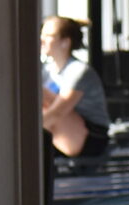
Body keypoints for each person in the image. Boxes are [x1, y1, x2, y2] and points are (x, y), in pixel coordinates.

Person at [38, 15, 111, 158]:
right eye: (41, 34)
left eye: (49, 36)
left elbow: (58, 112)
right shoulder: (47, 70)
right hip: (62, 130)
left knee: (40, 94)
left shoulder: (78, 71)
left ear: (65, 42)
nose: (42, 40)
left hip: (91, 137)